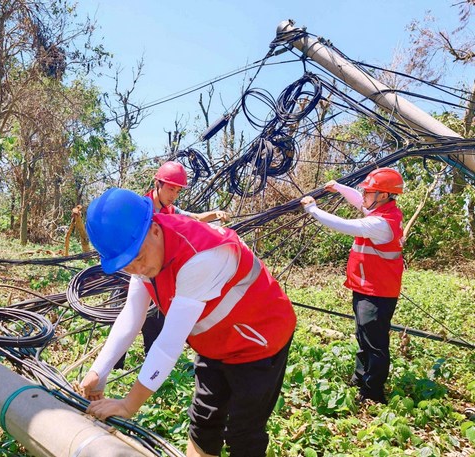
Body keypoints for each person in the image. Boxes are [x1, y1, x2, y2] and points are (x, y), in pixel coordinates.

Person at [80, 188, 296, 457]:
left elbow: (169, 344)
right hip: (215, 343)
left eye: (138, 259)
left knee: (244, 431)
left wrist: (128, 405)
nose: (136, 269)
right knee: (203, 421)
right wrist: (98, 373)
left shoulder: (199, 257)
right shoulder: (145, 251)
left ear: (155, 229)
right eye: (126, 265)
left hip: (259, 339)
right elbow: (131, 316)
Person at [300, 167, 405, 404]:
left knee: (374, 343)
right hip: (366, 288)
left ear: (383, 195)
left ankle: (373, 393)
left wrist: (312, 209)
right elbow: (360, 202)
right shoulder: (380, 210)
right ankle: (360, 380)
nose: (364, 194)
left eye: (369, 191)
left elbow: (345, 225)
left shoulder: (382, 222)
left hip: (377, 293)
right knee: (363, 336)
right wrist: (338, 187)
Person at [131, 161, 231, 364]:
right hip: (138, 270)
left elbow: (193, 217)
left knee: (156, 318)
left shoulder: (170, 210)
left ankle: (151, 360)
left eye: (177, 191)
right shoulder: (143, 209)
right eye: (170, 189)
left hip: (158, 273)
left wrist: (215, 214)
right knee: (132, 316)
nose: (173, 195)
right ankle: (119, 366)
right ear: (157, 183)